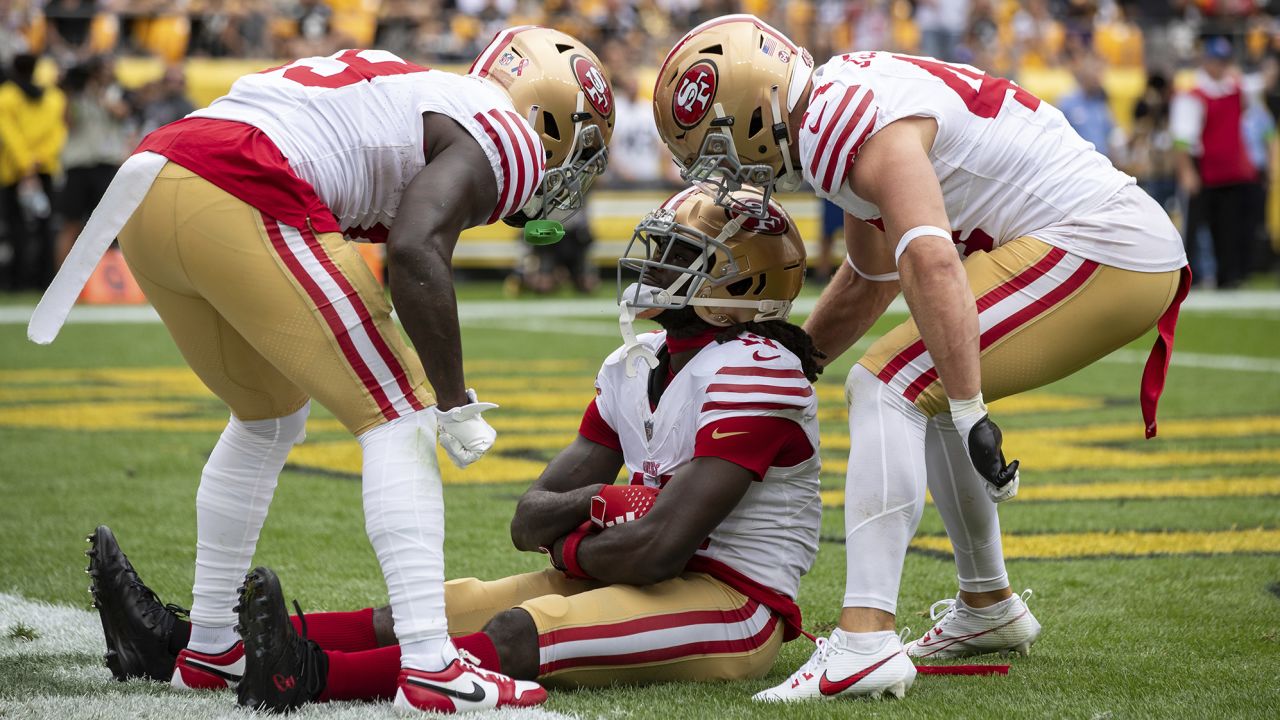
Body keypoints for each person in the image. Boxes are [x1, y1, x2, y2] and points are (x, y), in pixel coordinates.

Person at [49, 27, 615, 714]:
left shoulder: (426, 92)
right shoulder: (507, 132)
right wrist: (452, 397)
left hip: (156, 176)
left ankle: (212, 649)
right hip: (240, 178)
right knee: (399, 415)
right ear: (549, 115)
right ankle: (433, 667)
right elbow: (414, 249)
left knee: (267, 415)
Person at [86, 185, 824, 711]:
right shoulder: (636, 366)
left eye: (679, 256)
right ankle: (186, 642)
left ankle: (303, 676)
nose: (654, 267)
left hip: (734, 602)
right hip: (640, 568)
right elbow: (528, 519)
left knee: (519, 628)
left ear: (740, 281)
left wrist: (580, 544)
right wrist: (599, 508)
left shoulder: (760, 367)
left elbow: (662, 547)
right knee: (451, 607)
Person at [652, 15, 1189, 701]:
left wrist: (970, 408)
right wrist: (796, 362)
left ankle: (865, 642)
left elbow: (932, 260)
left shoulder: (843, 122)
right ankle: (987, 604)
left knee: (889, 383)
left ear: (753, 115)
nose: (728, 176)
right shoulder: (834, 105)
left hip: (1106, 244)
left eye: (719, 153)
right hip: (1103, 241)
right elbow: (872, 276)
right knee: (915, 385)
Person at [1172, 36, 1258, 289]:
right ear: (1205, 62)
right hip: (1202, 167)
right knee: (1193, 226)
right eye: (1215, 61)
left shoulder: (1236, 90)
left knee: (1229, 227)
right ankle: (1189, 277)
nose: (1220, 66)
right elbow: (1182, 138)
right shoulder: (1193, 95)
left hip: (1230, 170)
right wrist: (1186, 171)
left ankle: (1228, 276)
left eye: (1224, 61)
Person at [56, 55, 130, 268]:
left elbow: (121, 112)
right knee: (71, 223)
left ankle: (105, 282)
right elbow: (67, 123)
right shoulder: (76, 95)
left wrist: (97, 92)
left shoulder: (116, 92)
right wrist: (69, 93)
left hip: (105, 164)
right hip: (78, 165)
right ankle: (59, 282)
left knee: (108, 226)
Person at [0, 52, 64, 290]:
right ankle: (45, 279)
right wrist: (39, 160)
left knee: (16, 227)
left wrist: (25, 164)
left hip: (14, 171)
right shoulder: (54, 97)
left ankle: (17, 282)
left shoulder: (6, 95)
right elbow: (57, 133)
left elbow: (8, 134)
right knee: (46, 226)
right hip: (45, 168)